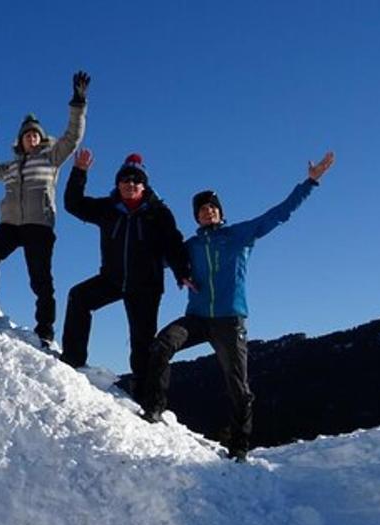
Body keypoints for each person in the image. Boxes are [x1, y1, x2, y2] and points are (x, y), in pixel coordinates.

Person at [142, 151, 336, 461]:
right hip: (196, 318)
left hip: (230, 321)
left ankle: (240, 446)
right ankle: (154, 408)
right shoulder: (190, 247)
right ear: (197, 217)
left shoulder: (239, 236)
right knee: (162, 345)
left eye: (212, 207)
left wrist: (309, 183)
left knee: (238, 386)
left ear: (220, 212)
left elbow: (279, 214)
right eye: (202, 209)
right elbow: (161, 258)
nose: (207, 212)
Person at [60, 150, 191, 402]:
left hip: (146, 286)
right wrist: (79, 172)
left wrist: (182, 271)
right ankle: (72, 360)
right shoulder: (108, 209)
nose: (130, 184)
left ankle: (146, 401)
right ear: (118, 184)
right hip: (112, 279)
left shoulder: (158, 213)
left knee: (142, 344)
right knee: (79, 297)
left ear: (144, 185)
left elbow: (173, 243)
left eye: (136, 181)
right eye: (125, 180)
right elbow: (73, 204)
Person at [0, 71, 90, 346]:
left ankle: (45, 330)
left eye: (35, 135)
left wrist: (78, 104)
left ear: (41, 138)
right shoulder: (12, 166)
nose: (31, 139)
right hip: (11, 224)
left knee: (40, 278)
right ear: (20, 140)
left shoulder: (51, 158)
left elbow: (73, 137)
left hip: (38, 225)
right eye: (27, 136)